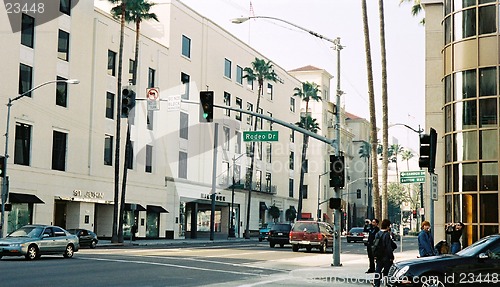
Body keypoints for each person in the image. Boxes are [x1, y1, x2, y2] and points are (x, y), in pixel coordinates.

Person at [373, 219, 395, 287]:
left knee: (378, 270)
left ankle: (376, 284)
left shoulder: (378, 234)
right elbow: (388, 247)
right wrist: (391, 256)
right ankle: (388, 284)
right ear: (387, 227)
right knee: (388, 271)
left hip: (379, 255)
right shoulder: (386, 235)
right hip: (386, 256)